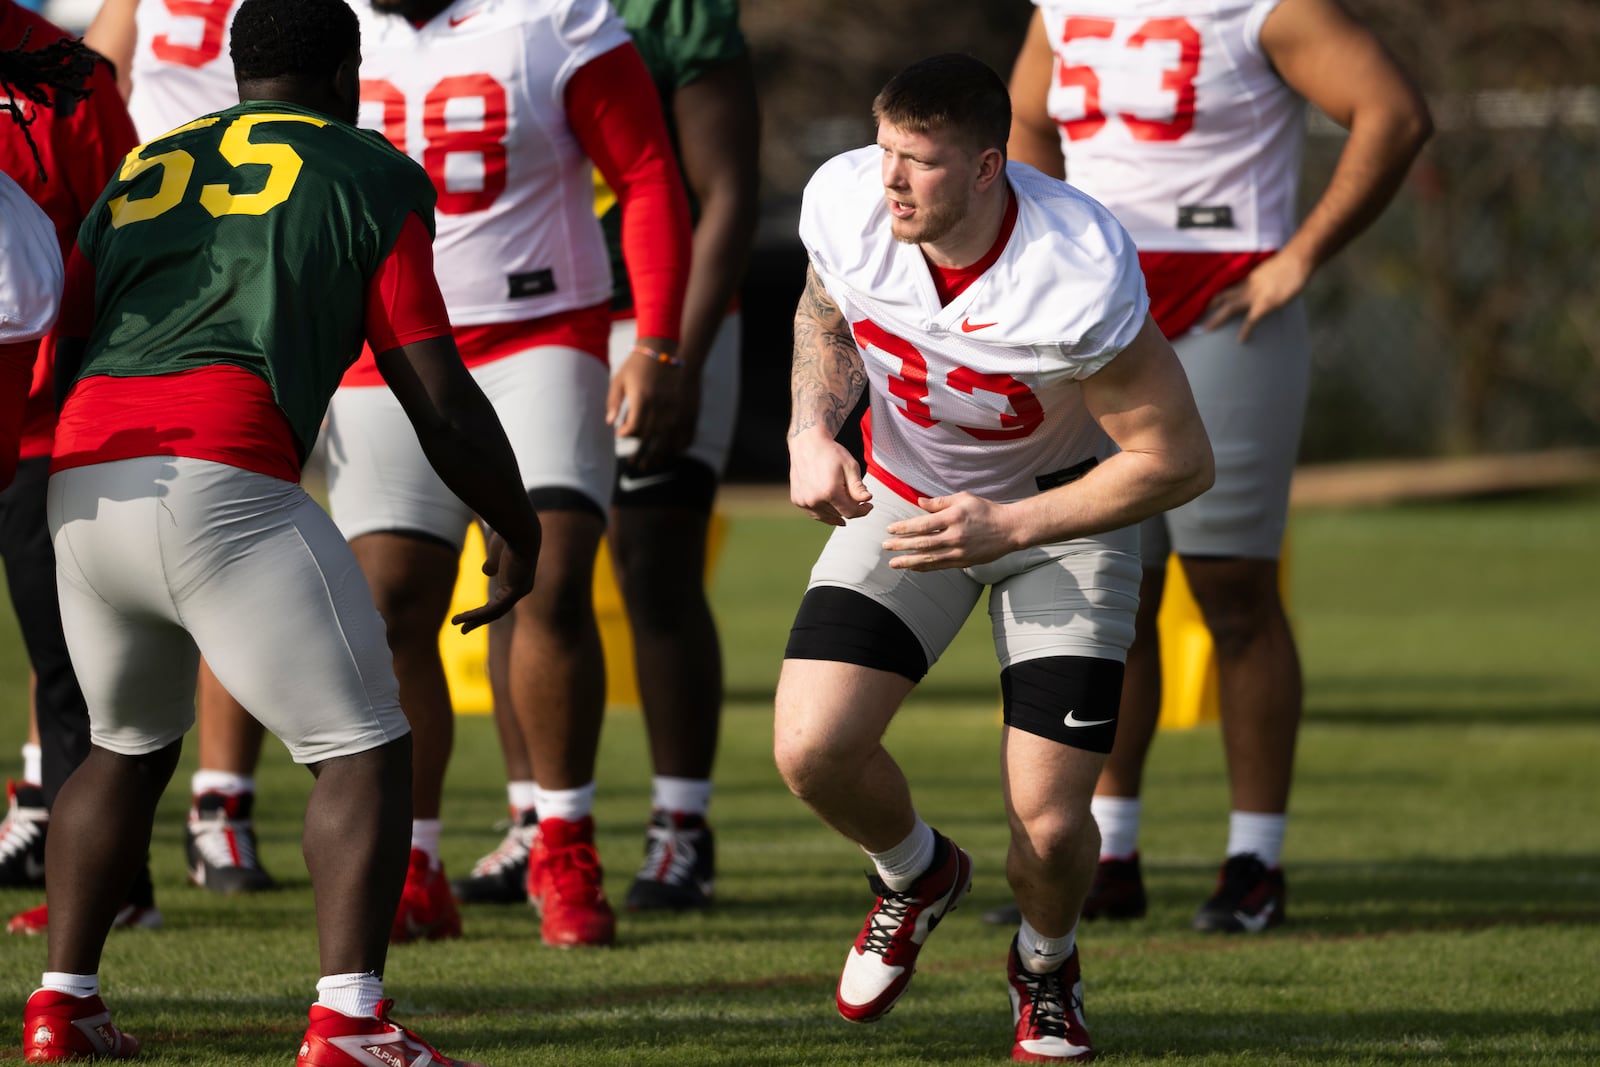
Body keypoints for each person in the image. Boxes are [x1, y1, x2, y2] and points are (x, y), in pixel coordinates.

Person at [20, 0, 540, 1061]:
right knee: (364, 746)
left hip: (82, 474)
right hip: (220, 473)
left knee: (120, 748)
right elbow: (428, 383)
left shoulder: (146, 168)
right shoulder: (367, 169)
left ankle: (62, 1003)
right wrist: (514, 514)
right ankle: (350, 1019)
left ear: (232, 67)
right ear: (347, 69)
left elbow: (65, 338)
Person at [775, 54, 1213, 1062]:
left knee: (1052, 829)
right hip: (907, 502)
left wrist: (1012, 527)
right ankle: (915, 872)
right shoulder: (848, 201)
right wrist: (809, 426)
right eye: (883, 149)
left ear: (985, 168)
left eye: (917, 162)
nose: (887, 179)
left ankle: (1046, 963)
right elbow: (823, 310)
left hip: (1058, 517)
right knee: (811, 749)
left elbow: (1179, 459)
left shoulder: (1072, 265)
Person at [999, 0, 1432, 932]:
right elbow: (1025, 115)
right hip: (1102, 315)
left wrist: (1303, 254)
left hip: (1225, 300)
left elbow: (1392, 111)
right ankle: (1108, 849)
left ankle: (1254, 859)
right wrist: (1037, 256)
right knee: (1114, 588)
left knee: (1234, 589)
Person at [329, 0, 690, 947]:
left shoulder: (555, 17)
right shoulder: (324, 23)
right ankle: (415, 859)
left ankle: (562, 843)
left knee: (555, 579)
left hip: (539, 333)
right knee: (392, 601)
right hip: (386, 348)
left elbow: (647, 172)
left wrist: (654, 340)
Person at [451, 0, 759, 914]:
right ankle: (534, 819)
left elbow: (728, 189)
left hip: (649, 309)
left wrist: (673, 350)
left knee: (654, 560)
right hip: (524, 320)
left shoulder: (671, 12)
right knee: (521, 557)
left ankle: (681, 824)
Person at [83, 0, 279, 898]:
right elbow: (96, 85)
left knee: (234, 544)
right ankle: (61, 794)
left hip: (265, 251)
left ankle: (221, 802)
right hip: (159, 253)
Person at [0, 0, 166, 934]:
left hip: (37, 420)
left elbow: (123, 245)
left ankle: (107, 884)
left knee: (69, 664)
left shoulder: (65, 74)